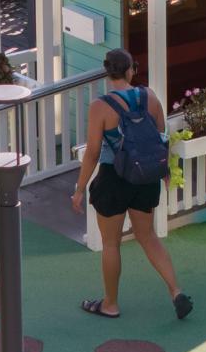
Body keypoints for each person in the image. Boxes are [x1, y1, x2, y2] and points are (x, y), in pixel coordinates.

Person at [72, 48, 193, 321]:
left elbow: (92, 152)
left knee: (111, 244)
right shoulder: (149, 96)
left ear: (107, 72)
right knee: (147, 236)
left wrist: (79, 189)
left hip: (114, 179)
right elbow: (162, 137)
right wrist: (165, 171)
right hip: (145, 177)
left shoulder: (100, 107)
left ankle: (110, 304)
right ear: (131, 70)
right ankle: (175, 290)